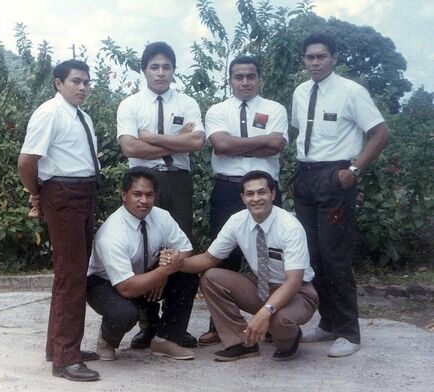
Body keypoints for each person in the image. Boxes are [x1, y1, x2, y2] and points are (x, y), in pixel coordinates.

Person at [291, 33, 389, 357]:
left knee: (335, 257)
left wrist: (354, 171)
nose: (315, 62)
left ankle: (350, 332)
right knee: (312, 257)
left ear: (333, 58)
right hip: (305, 176)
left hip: (336, 177)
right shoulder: (301, 92)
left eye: (321, 56)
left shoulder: (351, 92)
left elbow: (380, 133)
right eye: (309, 57)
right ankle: (329, 323)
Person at [161, 170, 318, 362]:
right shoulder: (237, 221)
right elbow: (208, 259)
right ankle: (241, 344)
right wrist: (179, 263)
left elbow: (294, 282)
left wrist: (264, 313)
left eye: (262, 192)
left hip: (297, 293)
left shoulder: (289, 226)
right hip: (261, 287)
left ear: (273, 194)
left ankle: (289, 337)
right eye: (250, 194)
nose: (256, 198)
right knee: (211, 277)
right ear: (243, 198)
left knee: (279, 322)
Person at [117, 41, 204, 349]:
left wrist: (152, 138)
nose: (161, 72)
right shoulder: (130, 105)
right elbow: (130, 148)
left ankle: (174, 327)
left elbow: (196, 143)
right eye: (154, 66)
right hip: (143, 181)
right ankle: (148, 325)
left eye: (166, 67)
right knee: (144, 250)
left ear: (173, 70)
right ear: (144, 70)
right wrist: (176, 140)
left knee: (179, 250)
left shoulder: (187, 102)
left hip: (178, 181)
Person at [18, 59, 100, 381]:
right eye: (75, 81)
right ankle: (66, 359)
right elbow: (27, 161)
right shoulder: (49, 113)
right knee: (72, 278)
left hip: (84, 192)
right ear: (58, 83)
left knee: (70, 274)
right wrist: (39, 193)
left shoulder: (83, 117)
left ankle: (59, 347)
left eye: (86, 82)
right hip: (63, 194)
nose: (82, 87)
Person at [200, 55, 288, 345]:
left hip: (265, 190)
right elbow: (220, 145)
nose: (245, 82)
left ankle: (276, 324)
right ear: (230, 80)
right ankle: (220, 326)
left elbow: (276, 144)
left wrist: (236, 146)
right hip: (227, 190)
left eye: (251, 76)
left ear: (259, 78)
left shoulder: (273, 108)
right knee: (223, 257)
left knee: (272, 257)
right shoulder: (217, 110)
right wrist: (258, 144)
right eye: (239, 77)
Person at [86, 167, 198, 361]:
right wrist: (164, 271)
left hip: (143, 274)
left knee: (187, 274)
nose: (144, 201)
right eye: (137, 194)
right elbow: (126, 288)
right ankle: (106, 340)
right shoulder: (112, 233)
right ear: (124, 195)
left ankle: (164, 340)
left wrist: (167, 266)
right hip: (105, 284)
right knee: (124, 313)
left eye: (149, 194)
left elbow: (185, 250)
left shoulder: (161, 216)